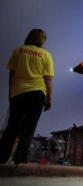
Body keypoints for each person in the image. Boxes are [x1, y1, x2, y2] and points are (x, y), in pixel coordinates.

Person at [0, 29, 54, 164]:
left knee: (12, 127)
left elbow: (11, 74)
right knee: (28, 128)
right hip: (37, 93)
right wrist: (49, 99)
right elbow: (48, 79)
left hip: (18, 92)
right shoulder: (46, 55)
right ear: (42, 40)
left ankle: (1, 158)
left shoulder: (19, 50)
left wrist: (11, 92)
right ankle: (21, 160)